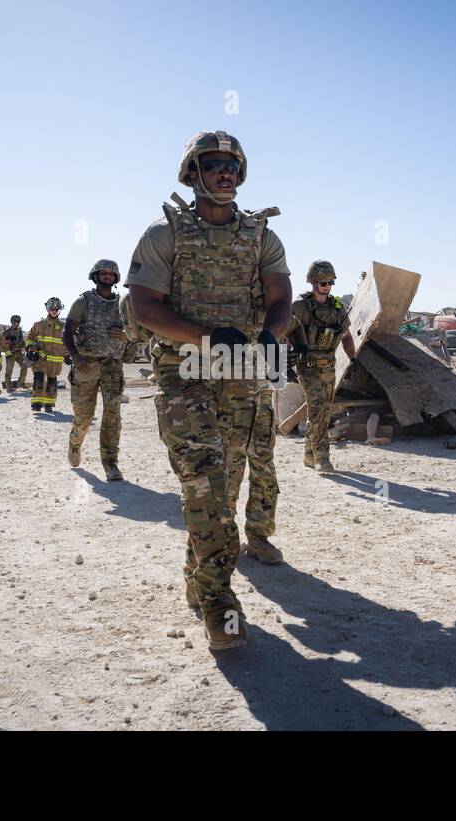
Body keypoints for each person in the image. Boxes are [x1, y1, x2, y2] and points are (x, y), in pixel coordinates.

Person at [126, 130, 292, 650]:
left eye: (232, 165)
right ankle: (220, 599)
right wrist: (204, 337)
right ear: (192, 173)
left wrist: (270, 334)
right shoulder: (164, 234)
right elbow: (144, 308)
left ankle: (199, 574)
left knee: (227, 483)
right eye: (213, 163)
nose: (225, 171)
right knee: (203, 480)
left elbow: (281, 294)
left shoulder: (261, 235)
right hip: (184, 373)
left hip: (241, 375)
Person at [287, 260, 358, 473]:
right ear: (313, 282)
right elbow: (283, 334)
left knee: (322, 411)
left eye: (331, 282)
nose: (328, 286)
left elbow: (346, 337)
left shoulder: (337, 308)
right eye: (324, 282)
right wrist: (284, 365)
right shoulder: (299, 307)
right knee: (317, 405)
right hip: (306, 365)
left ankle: (309, 454)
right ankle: (322, 458)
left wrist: (353, 359)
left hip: (328, 366)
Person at [64, 260, 128, 481]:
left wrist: (126, 335)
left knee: (112, 414)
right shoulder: (84, 302)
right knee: (84, 415)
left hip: (112, 364)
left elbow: (137, 332)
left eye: (112, 273)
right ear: (96, 276)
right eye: (104, 273)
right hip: (86, 364)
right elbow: (67, 332)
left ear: (116, 278)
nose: (108, 276)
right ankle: (75, 442)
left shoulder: (122, 304)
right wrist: (76, 355)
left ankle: (110, 463)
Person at [27, 298, 66, 413]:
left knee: (52, 383)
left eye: (56, 309)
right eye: (52, 308)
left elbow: (69, 342)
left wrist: (68, 354)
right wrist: (31, 349)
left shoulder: (64, 327)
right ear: (47, 309)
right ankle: (36, 403)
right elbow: (30, 338)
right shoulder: (38, 325)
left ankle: (49, 404)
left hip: (56, 362)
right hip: (40, 359)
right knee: (38, 380)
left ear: (59, 310)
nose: (54, 311)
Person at [2, 314, 29, 392]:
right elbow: (1, 343)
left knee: (25, 365)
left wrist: (26, 349)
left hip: (19, 353)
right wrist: (8, 342)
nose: (17, 323)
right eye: (15, 321)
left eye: (18, 322)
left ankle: (21, 383)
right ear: (12, 322)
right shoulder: (7, 332)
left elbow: (22, 342)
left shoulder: (19, 331)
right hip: (10, 353)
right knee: (9, 370)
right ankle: (8, 386)